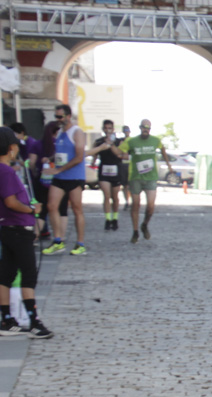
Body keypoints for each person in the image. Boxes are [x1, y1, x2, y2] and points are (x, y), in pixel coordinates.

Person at [0, 127, 53, 339]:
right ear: (12, 148)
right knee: (28, 275)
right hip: (19, 229)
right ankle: (34, 322)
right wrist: (32, 209)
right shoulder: (7, 171)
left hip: (7, 228)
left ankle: (6, 319)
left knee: (6, 275)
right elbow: (11, 201)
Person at [42, 104, 88, 256]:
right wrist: (49, 159)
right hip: (60, 176)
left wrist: (59, 169)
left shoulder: (77, 132)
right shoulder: (61, 132)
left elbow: (79, 157)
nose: (58, 120)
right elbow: (60, 154)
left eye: (60, 117)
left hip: (74, 176)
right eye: (56, 117)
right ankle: (58, 241)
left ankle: (80, 243)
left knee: (76, 209)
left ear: (68, 116)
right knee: (51, 205)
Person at [119, 119, 173, 243]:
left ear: (150, 129)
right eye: (143, 127)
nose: (145, 129)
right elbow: (119, 151)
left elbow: (163, 150)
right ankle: (135, 232)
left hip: (151, 177)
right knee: (136, 205)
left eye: (148, 128)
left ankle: (144, 224)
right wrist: (113, 148)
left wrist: (168, 165)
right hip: (135, 177)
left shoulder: (155, 140)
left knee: (150, 206)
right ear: (140, 128)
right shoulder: (131, 141)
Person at [90, 120, 125, 231]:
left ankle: (115, 218)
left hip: (116, 171)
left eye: (110, 128)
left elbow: (120, 154)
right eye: (106, 128)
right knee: (106, 195)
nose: (108, 130)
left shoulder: (119, 141)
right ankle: (107, 219)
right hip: (104, 172)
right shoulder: (99, 141)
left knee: (115, 197)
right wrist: (93, 161)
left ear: (113, 129)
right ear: (103, 129)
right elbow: (94, 154)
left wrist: (110, 144)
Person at [119, 125, 132, 210]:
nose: (126, 132)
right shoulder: (120, 141)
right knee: (125, 185)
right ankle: (126, 201)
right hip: (123, 165)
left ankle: (132, 201)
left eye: (127, 130)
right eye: (124, 130)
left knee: (132, 184)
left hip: (131, 165)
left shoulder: (133, 141)